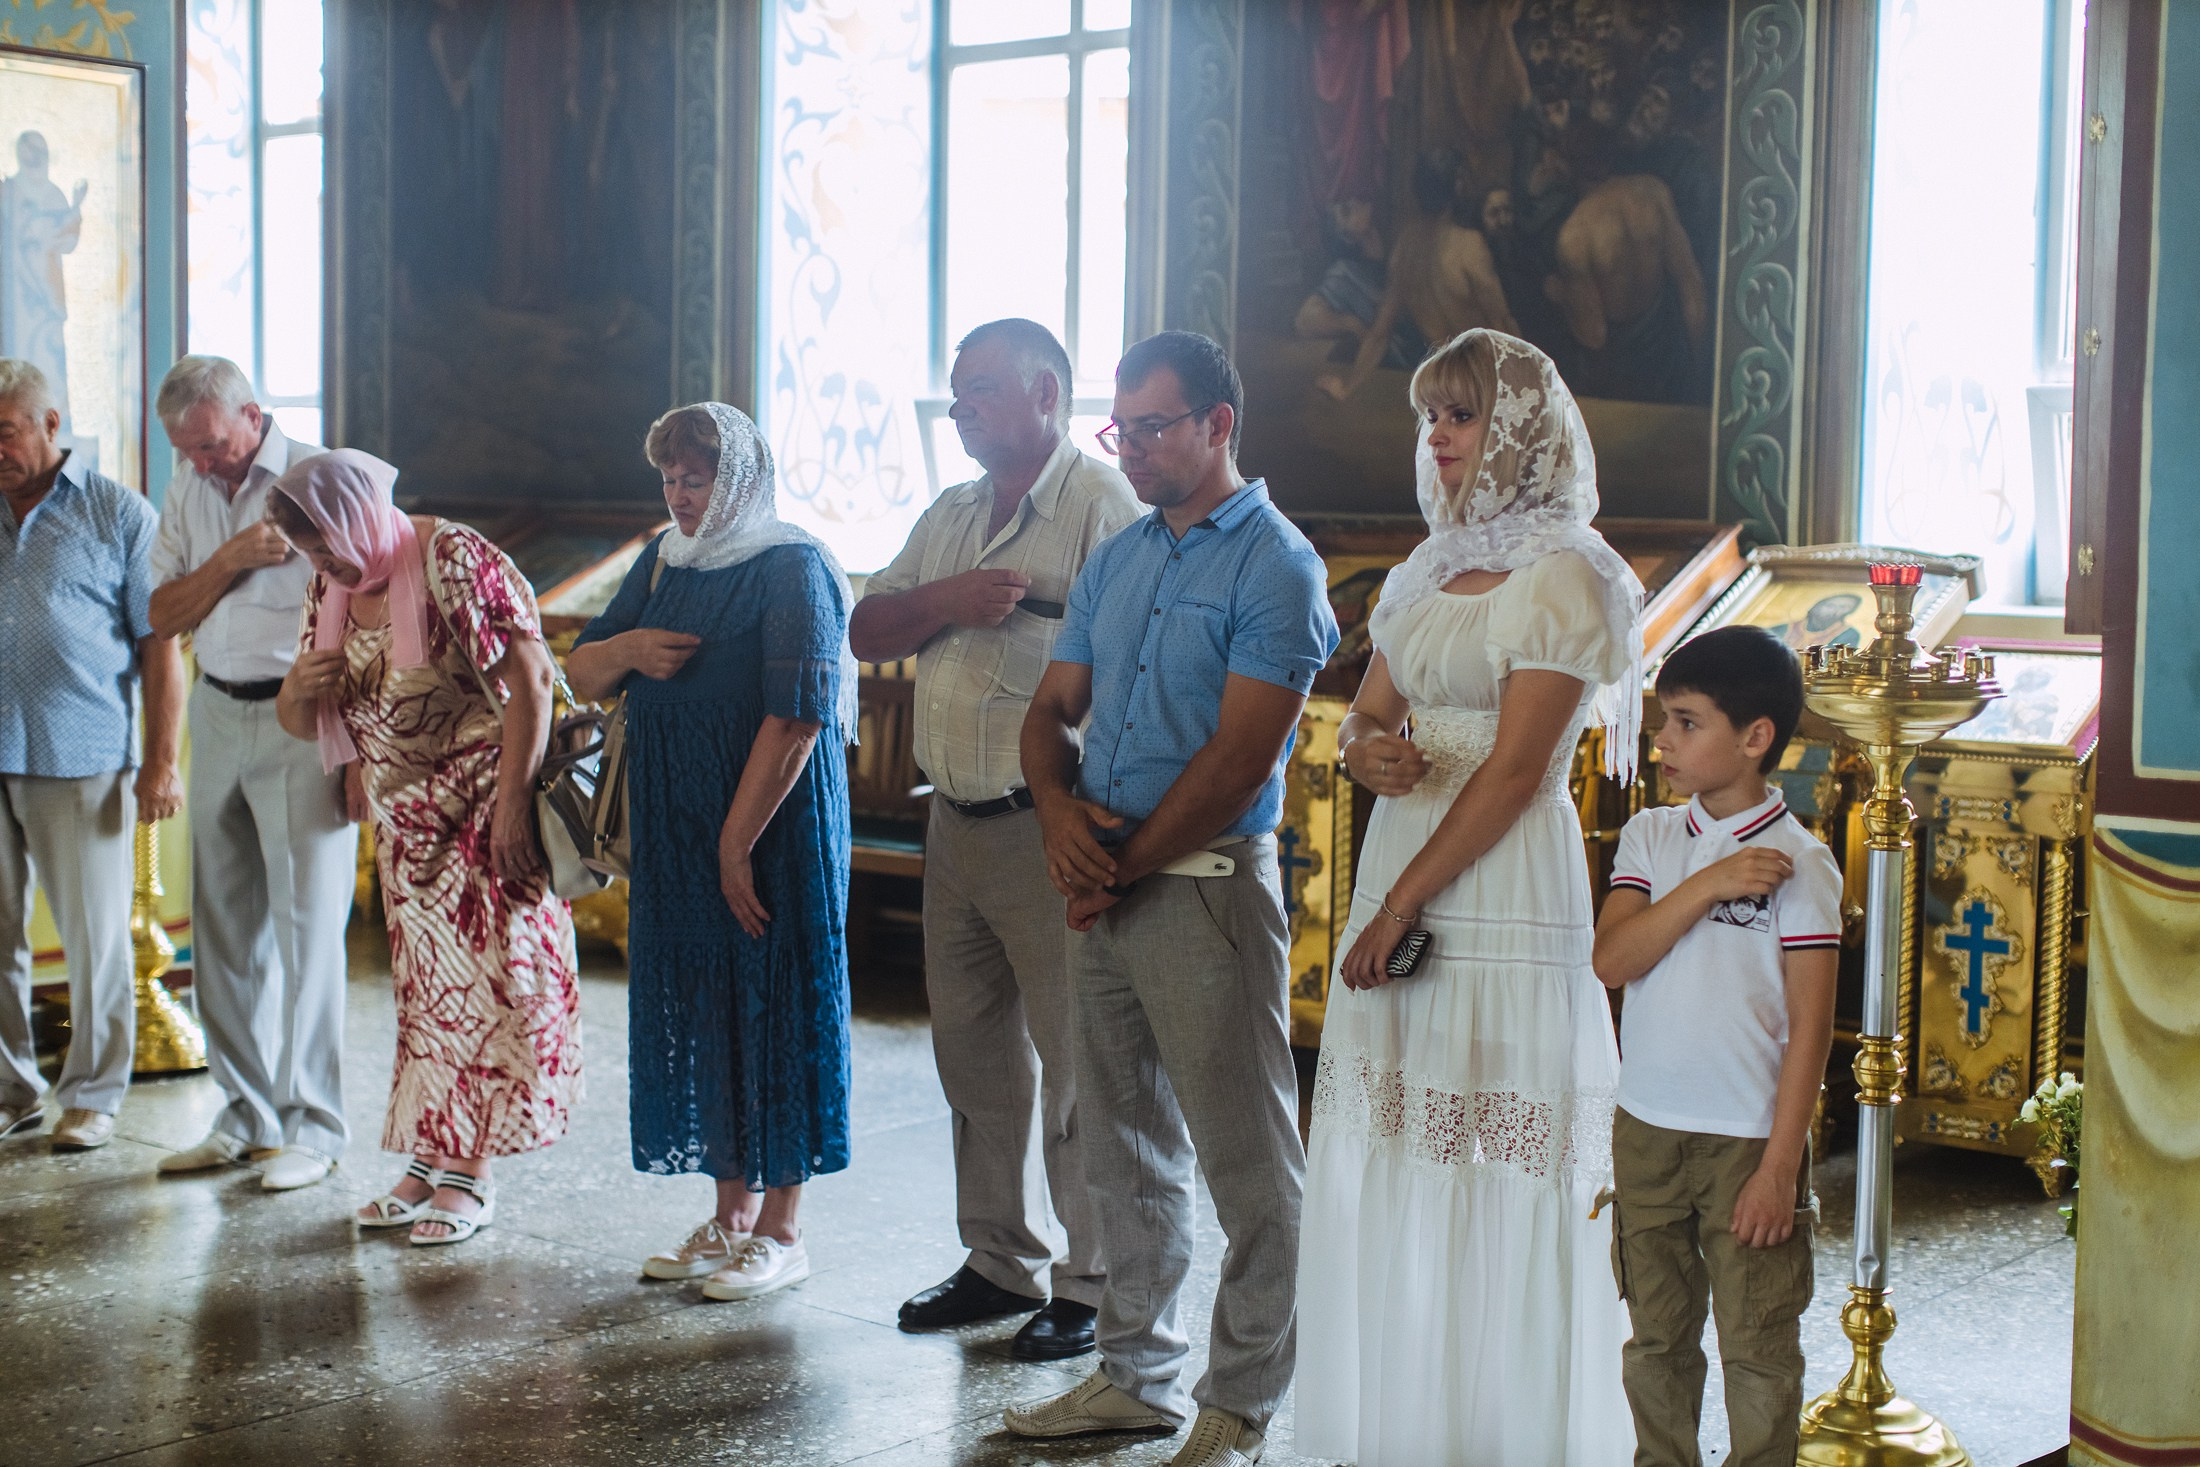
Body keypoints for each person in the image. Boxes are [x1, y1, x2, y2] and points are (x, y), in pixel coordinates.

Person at [1295, 328, 1641, 1464]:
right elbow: (1368, 711)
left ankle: (1506, 1433)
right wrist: (1363, 754)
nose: (1434, 438)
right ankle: (1407, 1424)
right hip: (1403, 848)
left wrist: (1397, 910)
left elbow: (1512, 772)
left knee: (1499, 1144)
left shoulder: (1569, 576)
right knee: (1398, 1135)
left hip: (1495, 880)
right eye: (1428, 417)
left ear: (1520, 436)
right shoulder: (1427, 567)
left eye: (1459, 416)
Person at [1006, 331, 1339, 1467]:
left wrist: (1116, 863)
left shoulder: (1278, 566)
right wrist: (1057, 818)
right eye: (1121, 429)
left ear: (1218, 425)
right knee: (1122, 1148)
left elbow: (1241, 761)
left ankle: (1239, 1403)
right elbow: (1051, 711)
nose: (1132, 450)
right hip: (1104, 881)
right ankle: (1131, 1377)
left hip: (1199, 892)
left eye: (1153, 427)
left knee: (1250, 1164)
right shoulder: (1120, 555)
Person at [852, 320, 1140, 1359]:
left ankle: (1092, 1279)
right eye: (958, 390)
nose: (961, 406)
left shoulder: (1103, 509)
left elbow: (1134, 670)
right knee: (972, 1056)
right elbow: (868, 629)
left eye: (978, 389)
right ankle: (996, 1261)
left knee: (1077, 1066)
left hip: (1049, 825)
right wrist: (949, 600)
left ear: (1046, 395)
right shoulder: (955, 511)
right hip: (955, 822)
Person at [565, 402, 855, 1303]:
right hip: (677, 822)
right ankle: (729, 1213)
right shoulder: (666, 559)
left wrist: (737, 842)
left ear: (738, 478)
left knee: (778, 999)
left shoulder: (793, 564)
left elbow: (799, 714)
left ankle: (782, 1227)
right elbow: (579, 668)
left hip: (768, 823)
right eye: (670, 478)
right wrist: (628, 647)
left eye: (696, 477)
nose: (680, 494)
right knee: (707, 1006)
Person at [270, 449, 580, 1245]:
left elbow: (534, 680)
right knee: (429, 1002)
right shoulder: (333, 585)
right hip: (407, 835)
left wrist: (513, 804)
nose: (325, 561)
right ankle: (427, 1159)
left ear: (359, 510)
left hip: (484, 815)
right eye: (311, 551)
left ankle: (472, 1176)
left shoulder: (451, 558)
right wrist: (294, 695)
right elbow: (308, 722)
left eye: (328, 542)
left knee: (486, 994)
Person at [1591, 625, 1841, 1467]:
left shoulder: (1804, 863)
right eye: (1664, 718)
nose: (1662, 739)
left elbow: (1810, 1028)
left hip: (1746, 1141)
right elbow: (1613, 959)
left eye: (1687, 722)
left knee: (1758, 1346)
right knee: (1657, 1344)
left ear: (1755, 737)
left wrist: (1780, 1166)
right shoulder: (1653, 840)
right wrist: (1711, 881)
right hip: (1648, 1129)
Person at [147, 356, 355, 1192]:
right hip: (214, 709)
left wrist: (356, 749)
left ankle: (314, 1125)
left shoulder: (317, 476)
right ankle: (245, 1115)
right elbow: (160, 613)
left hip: (301, 718)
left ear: (252, 414)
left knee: (306, 927)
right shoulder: (189, 488)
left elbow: (364, 610)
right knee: (221, 924)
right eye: (185, 450)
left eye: (209, 444)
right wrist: (231, 557)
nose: (200, 462)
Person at [0, 358, 183, 1149]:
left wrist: (162, 761)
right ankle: (12, 1090)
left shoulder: (115, 513)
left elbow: (160, 646)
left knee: (95, 934)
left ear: (49, 425)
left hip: (82, 754)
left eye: (5, 432)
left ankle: (95, 1093)